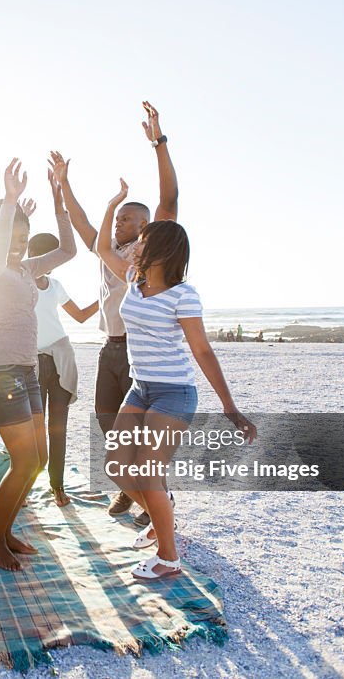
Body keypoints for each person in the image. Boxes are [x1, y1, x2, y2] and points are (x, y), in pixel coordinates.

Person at [95, 177, 256, 579]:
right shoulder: (133, 278)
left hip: (174, 394)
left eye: (144, 240)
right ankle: (160, 509)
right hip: (141, 388)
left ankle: (168, 558)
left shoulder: (184, 295)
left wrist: (230, 407)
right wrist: (113, 202)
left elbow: (202, 351)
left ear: (161, 250)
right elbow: (100, 248)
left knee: (148, 473)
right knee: (116, 466)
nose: (136, 245)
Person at [50, 100, 178, 520]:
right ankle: (129, 487)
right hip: (111, 348)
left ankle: (157, 493)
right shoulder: (108, 253)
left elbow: (169, 199)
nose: (119, 223)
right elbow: (84, 220)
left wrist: (159, 143)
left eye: (126, 218)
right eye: (118, 218)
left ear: (144, 226)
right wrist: (64, 184)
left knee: (141, 429)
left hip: (142, 350)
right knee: (108, 422)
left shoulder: (150, 252)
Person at [0, 159, 77, 571]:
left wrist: (58, 197)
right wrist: (10, 202)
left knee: (37, 460)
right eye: (12, 236)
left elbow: (68, 250)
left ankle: (6, 529)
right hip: (0, 372)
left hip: (28, 370)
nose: (18, 243)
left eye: (24, 236)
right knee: (22, 461)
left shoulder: (27, 268)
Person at [31, 173, 99, 507]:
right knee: (31, 431)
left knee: (57, 428)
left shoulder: (55, 287)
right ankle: (28, 483)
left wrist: (110, 295)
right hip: (29, 362)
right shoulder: (20, 283)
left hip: (60, 361)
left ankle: (57, 486)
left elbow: (83, 316)